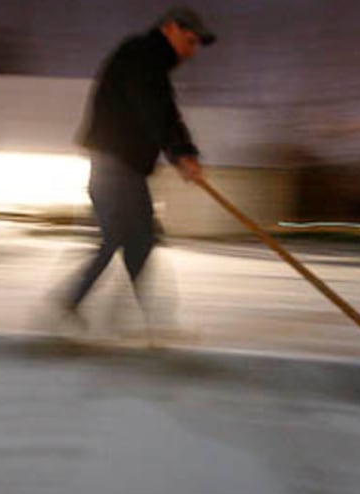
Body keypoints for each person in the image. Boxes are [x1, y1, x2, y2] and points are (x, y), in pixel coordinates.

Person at [63, 7, 216, 323]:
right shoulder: (141, 56)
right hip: (113, 162)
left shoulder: (152, 63)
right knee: (118, 235)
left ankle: (149, 320)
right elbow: (154, 109)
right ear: (170, 28)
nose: (192, 51)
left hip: (126, 167)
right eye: (190, 40)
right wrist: (180, 154)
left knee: (140, 239)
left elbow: (166, 113)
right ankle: (71, 305)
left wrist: (185, 153)